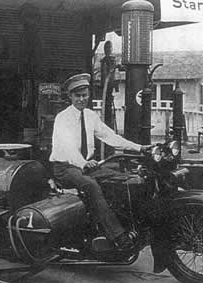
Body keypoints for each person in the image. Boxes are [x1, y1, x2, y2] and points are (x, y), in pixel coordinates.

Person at [49, 73, 150, 250]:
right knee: (91, 185)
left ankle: (123, 225)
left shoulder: (90, 116)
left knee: (121, 178)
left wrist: (140, 148)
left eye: (85, 95)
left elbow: (110, 136)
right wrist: (83, 163)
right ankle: (118, 236)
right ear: (70, 96)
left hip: (86, 165)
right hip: (65, 167)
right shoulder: (62, 118)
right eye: (77, 96)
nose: (82, 99)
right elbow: (68, 147)